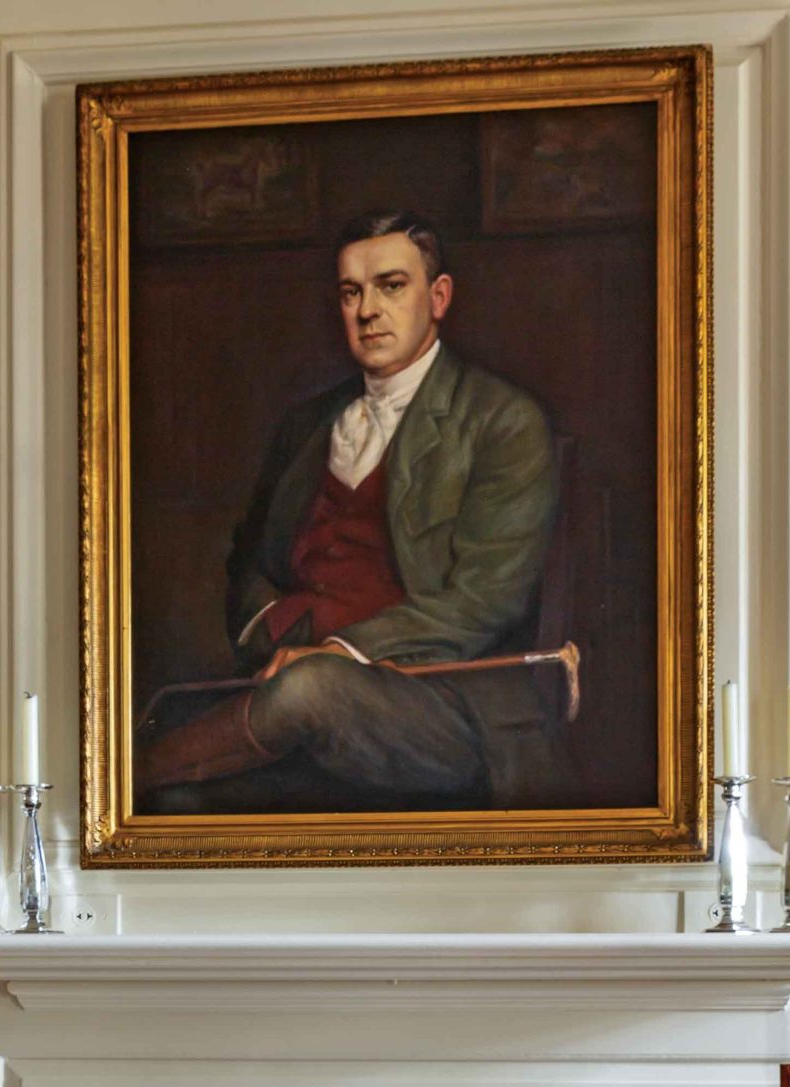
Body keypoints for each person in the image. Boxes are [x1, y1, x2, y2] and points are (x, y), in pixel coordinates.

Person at [137, 209, 565, 811]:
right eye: (350, 293)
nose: (368, 311)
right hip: (283, 683)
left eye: (392, 286)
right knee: (179, 803)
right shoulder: (307, 425)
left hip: (444, 701)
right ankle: (135, 792)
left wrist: (340, 651)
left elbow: (486, 600)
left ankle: (138, 777)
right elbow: (250, 559)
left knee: (307, 688)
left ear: (438, 296)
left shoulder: (502, 420)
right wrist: (271, 631)